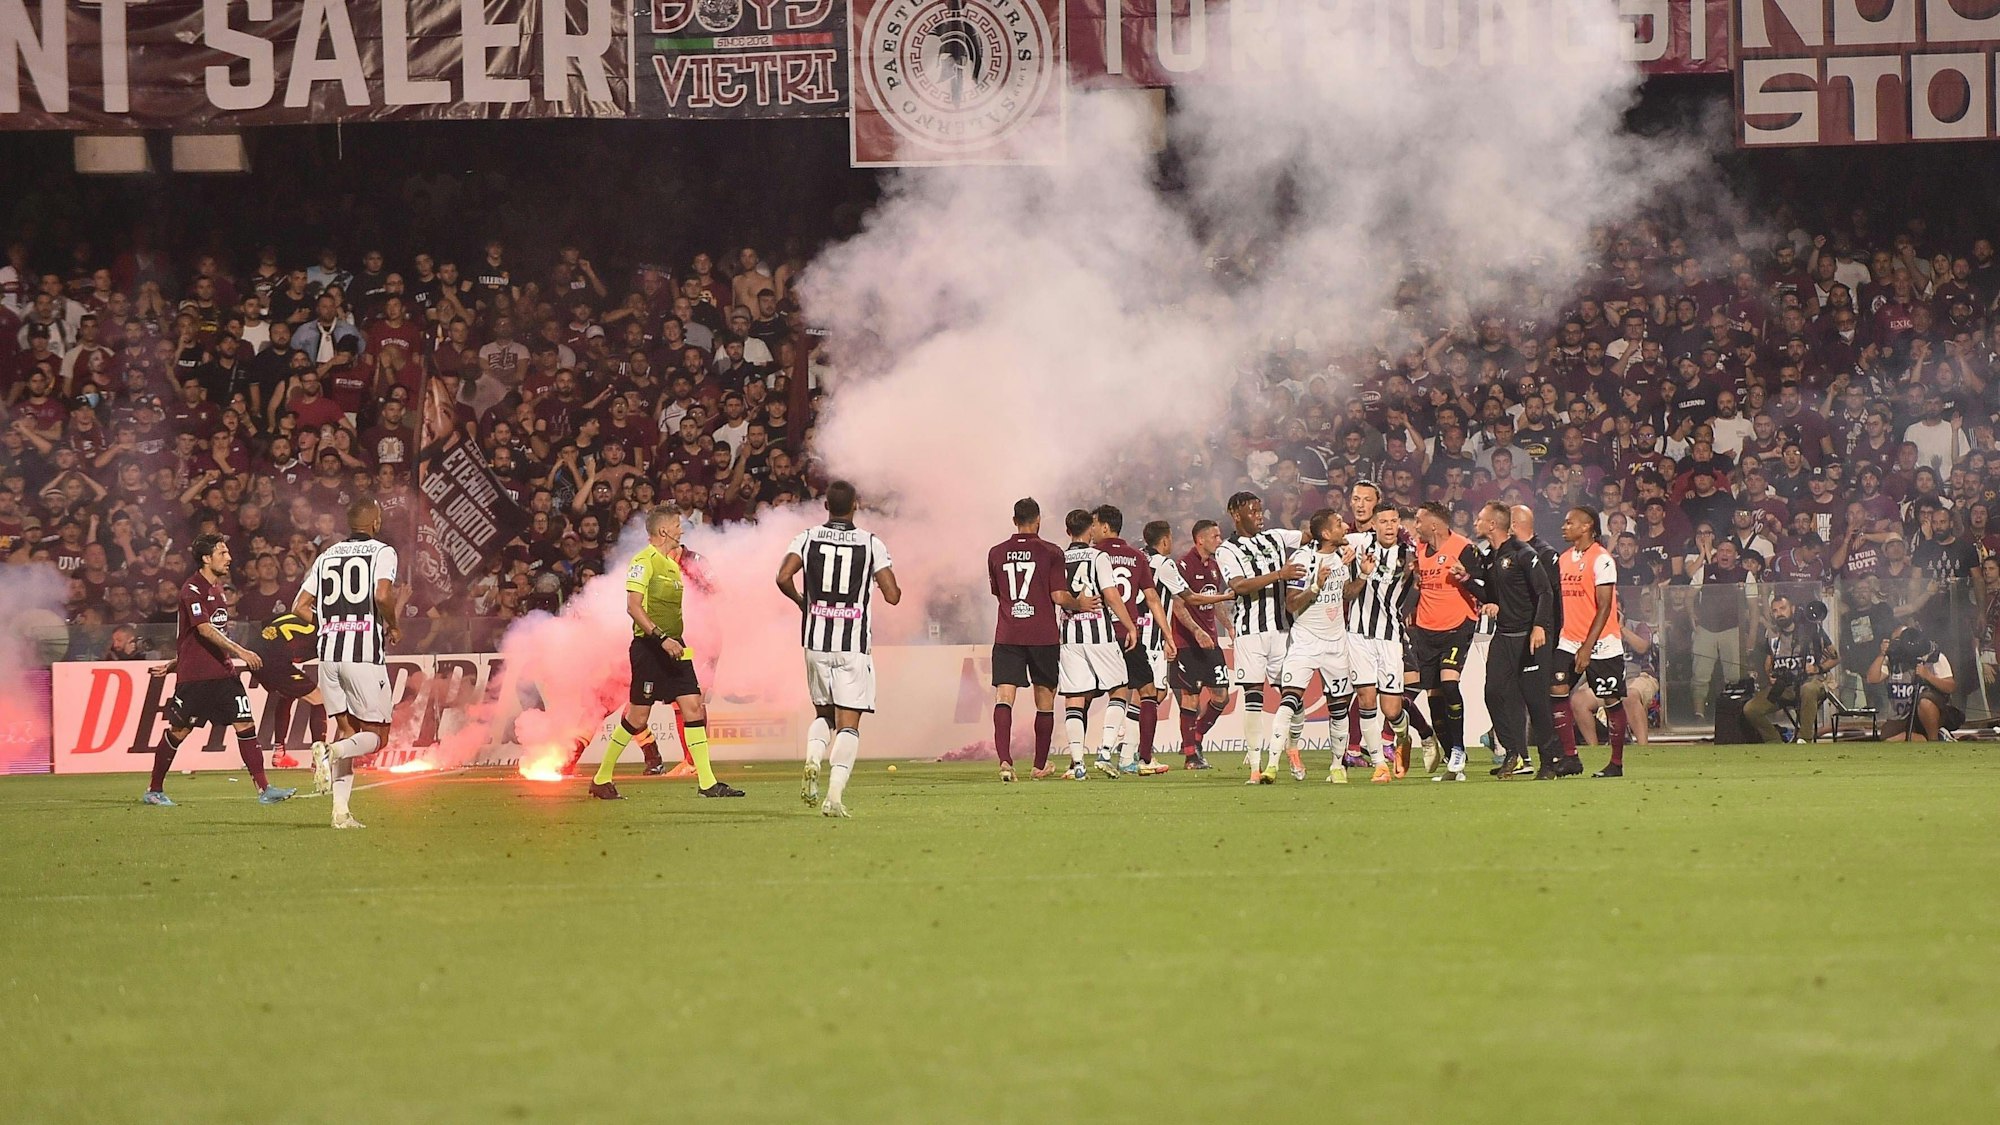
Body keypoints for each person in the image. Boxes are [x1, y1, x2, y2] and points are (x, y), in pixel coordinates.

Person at [589, 504, 743, 800]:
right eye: (676, 525)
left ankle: (707, 783)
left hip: (676, 647)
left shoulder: (674, 565)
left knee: (693, 707)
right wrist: (661, 638)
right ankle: (601, 778)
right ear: (663, 531)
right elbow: (633, 607)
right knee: (637, 717)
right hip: (650, 648)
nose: (681, 530)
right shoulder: (642, 562)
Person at [141, 534, 297, 807]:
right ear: (206, 558)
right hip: (197, 679)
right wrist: (242, 652)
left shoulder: (218, 590)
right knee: (178, 732)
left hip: (224, 675)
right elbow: (201, 630)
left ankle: (265, 789)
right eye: (223, 553)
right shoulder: (192, 590)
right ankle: (154, 789)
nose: (229, 558)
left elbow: (207, 636)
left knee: (246, 725)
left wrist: (173, 663)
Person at [775, 480, 900, 817]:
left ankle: (813, 758)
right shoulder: (870, 543)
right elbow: (892, 594)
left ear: (826, 505)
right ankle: (833, 798)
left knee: (822, 713)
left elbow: (782, 576)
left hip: (815, 641)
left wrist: (805, 603)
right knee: (848, 724)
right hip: (852, 645)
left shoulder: (808, 537)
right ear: (855, 505)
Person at [300, 498, 399, 828]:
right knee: (378, 737)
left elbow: (299, 605)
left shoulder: (326, 556)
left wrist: (330, 626)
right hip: (363, 655)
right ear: (374, 523)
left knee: (347, 730)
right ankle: (331, 754)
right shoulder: (382, 552)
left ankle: (340, 814)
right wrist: (395, 625)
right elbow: (383, 595)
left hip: (327, 655)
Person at [985, 498, 1080, 782]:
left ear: (1014, 520)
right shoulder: (1051, 552)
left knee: (1004, 696)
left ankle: (1005, 762)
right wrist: (1081, 603)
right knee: (1045, 700)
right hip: (1043, 635)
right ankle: (1039, 766)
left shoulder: (996, 553)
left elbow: (998, 593)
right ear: (1038, 520)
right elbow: (1058, 596)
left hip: (1009, 634)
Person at [1216, 490, 1306, 782]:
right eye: (1252, 511)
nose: (1259, 516)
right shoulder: (1227, 550)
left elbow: (1309, 536)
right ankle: (1256, 767)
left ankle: (1293, 748)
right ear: (1235, 514)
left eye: (1260, 510)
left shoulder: (1277, 537)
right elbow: (1240, 586)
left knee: (1295, 697)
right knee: (1253, 697)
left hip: (1282, 630)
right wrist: (1280, 574)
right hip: (1250, 633)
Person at [1273, 509, 1358, 782]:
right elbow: (1291, 603)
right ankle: (1271, 765)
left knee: (1339, 707)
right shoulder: (1303, 559)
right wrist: (1316, 587)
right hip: (1305, 641)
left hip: (1336, 643)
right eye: (1338, 524)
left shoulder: (1341, 559)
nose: (1344, 526)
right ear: (1325, 534)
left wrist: (1363, 576)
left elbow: (1346, 593)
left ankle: (1337, 766)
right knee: (1289, 700)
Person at [1473, 502, 1555, 779]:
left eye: (1481, 519)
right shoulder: (1490, 556)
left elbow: (1545, 592)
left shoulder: (1523, 553)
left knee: (1535, 701)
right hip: (1504, 637)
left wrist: (1540, 627)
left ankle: (1548, 763)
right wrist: (1466, 582)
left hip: (1528, 637)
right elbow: (1493, 597)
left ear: (1493, 525)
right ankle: (1512, 751)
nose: (1476, 522)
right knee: (1493, 692)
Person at [1090, 506, 1172, 776]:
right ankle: (1144, 758)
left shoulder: (1093, 556)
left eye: (1094, 525)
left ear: (1105, 527)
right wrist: (1168, 634)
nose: (1091, 531)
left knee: (1084, 696)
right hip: (1129, 636)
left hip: (1097, 635)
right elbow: (1152, 599)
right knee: (1147, 692)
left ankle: (1080, 760)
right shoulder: (1137, 557)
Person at [1057, 508, 1138, 780]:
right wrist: (1129, 625)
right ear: (1090, 529)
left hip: (1069, 636)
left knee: (1074, 698)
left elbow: (1056, 595)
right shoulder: (1097, 557)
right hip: (1099, 634)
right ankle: (1104, 752)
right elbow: (1112, 595)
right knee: (1119, 688)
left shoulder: (1058, 558)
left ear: (1068, 531)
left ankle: (1078, 764)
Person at [1409, 502, 1482, 781]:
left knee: (1450, 684)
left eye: (1418, 520)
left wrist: (1466, 578)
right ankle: (1452, 757)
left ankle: (1459, 750)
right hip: (1425, 630)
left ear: (1434, 524)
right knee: (1434, 696)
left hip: (1457, 625)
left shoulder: (1463, 548)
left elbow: (1482, 582)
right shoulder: (1418, 550)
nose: (1415, 525)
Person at [1556, 507, 1630, 777]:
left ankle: (1616, 763)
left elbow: (1605, 606)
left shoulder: (1602, 559)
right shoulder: (1564, 559)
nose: (1564, 526)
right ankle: (1570, 757)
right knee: (1556, 689)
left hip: (1602, 643)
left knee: (1610, 699)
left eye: (1569, 522)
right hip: (1568, 640)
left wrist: (1587, 646)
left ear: (1587, 526)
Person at [1349, 505, 1419, 782]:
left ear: (1399, 523)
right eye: (1383, 522)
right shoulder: (1358, 543)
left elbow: (1419, 584)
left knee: (1391, 709)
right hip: (1357, 634)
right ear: (1373, 525)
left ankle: (1403, 736)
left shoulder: (1410, 555)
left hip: (1390, 636)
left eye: (1393, 521)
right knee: (1366, 698)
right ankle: (1379, 763)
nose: (1388, 526)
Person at [1514, 505, 1578, 778]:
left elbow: (1552, 599)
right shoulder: (1511, 552)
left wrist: (1549, 633)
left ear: (1516, 524)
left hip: (1544, 638)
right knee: (1524, 697)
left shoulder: (1546, 554)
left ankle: (1554, 758)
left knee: (1543, 699)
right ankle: (1527, 756)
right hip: (1520, 636)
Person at [1169, 519, 1235, 769]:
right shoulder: (1183, 565)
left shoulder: (1215, 566)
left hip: (1210, 642)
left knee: (1221, 697)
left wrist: (1227, 625)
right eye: (1215, 536)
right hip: (1187, 643)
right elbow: (1179, 604)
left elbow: (1214, 598)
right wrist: (1196, 631)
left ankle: (1196, 738)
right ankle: (1190, 756)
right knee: (1191, 699)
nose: (1219, 540)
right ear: (1201, 539)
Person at [1744, 594, 1838, 743]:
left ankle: (1804, 739)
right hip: (1785, 687)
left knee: (1808, 689)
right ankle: (1774, 741)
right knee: (1751, 709)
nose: (1779, 613)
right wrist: (1770, 675)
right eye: (1774, 611)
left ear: (1792, 609)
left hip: (1812, 683)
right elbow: (1768, 661)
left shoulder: (1812, 629)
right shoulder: (1771, 634)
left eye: (1783, 608)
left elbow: (1835, 657)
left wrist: (1817, 668)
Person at [249, 609, 326, 776]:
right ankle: (320, 760)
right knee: (319, 699)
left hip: (252, 654)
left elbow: (265, 622)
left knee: (287, 694)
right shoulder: (325, 632)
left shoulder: (298, 615)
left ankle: (279, 753)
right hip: (273, 660)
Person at [1869, 625, 1961, 741]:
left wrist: (1928, 676)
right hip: (1901, 715)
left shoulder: (1933, 656)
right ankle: (1938, 737)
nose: (1896, 644)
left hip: (1930, 714)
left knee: (1925, 702)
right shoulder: (1893, 658)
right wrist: (1882, 654)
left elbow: (1951, 687)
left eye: (1898, 640)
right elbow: (1872, 678)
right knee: (1887, 739)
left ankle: (1934, 739)